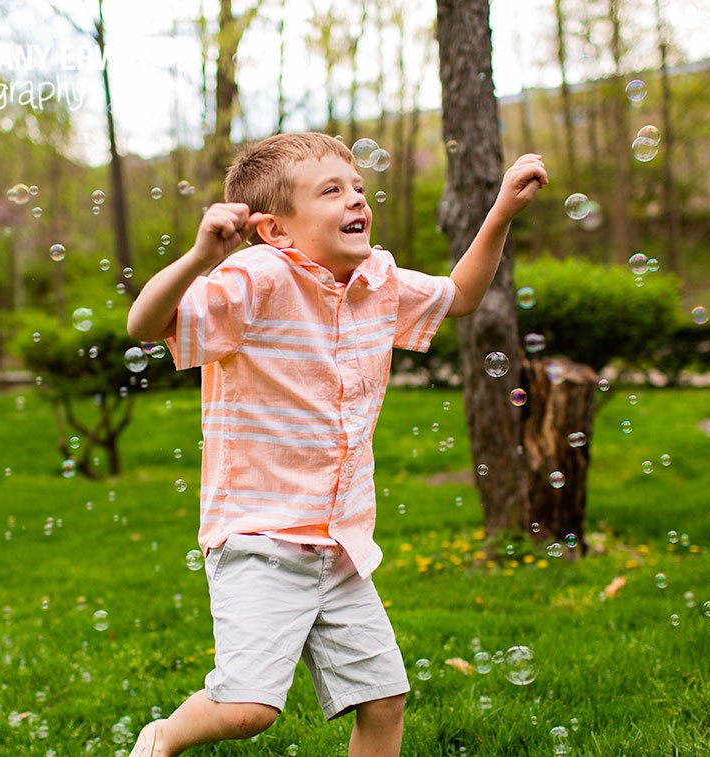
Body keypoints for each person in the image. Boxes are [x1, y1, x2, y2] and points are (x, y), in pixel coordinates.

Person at [126, 132, 547, 756]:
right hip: (259, 535)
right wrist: (198, 259)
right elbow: (147, 324)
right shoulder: (256, 277)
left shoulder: (376, 279)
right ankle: (162, 739)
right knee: (248, 711)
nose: (356, 200)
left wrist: (502, 211)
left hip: (342, 542)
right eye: (331, 190)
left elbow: (460, 296)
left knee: (383, 701)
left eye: (358, 187)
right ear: (276, 229)